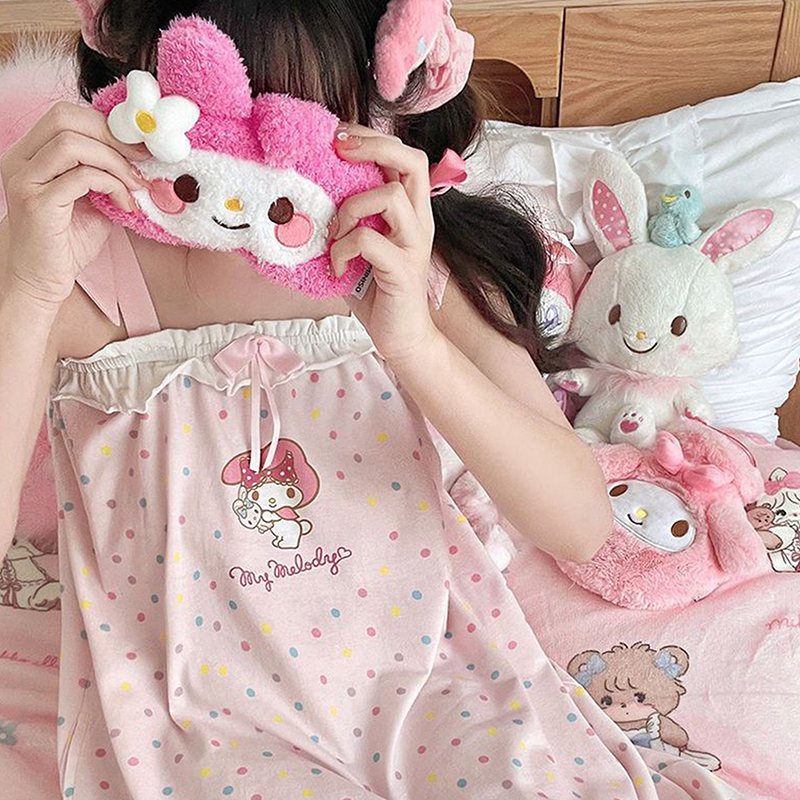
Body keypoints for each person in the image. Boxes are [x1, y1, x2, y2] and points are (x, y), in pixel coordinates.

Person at [0, 2, 741, 798]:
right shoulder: (80, 275)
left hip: (431, 682)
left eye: (294, 120)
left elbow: (581, 523)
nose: (254, 155)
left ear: (373, 115)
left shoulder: (405, 267)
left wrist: (416, 346)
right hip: (198, 715)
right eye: (217, 113)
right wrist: (26, 288)